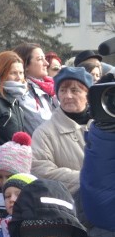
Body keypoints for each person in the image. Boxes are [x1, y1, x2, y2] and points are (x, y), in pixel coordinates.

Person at [31, 67, 94, 195]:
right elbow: (42, 171)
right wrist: (88, 179)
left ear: (88, 95)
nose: (68, 96)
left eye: (75, 90)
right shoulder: (45, 133)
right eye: (63, 90)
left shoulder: (104, 127)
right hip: (70, 206)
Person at [13, 42, 55, 132]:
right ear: (25, 65)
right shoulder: (22, 91)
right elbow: (40, 125)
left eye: (45, 59)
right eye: (40, 59)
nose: (46, 63)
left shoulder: (50, 87)